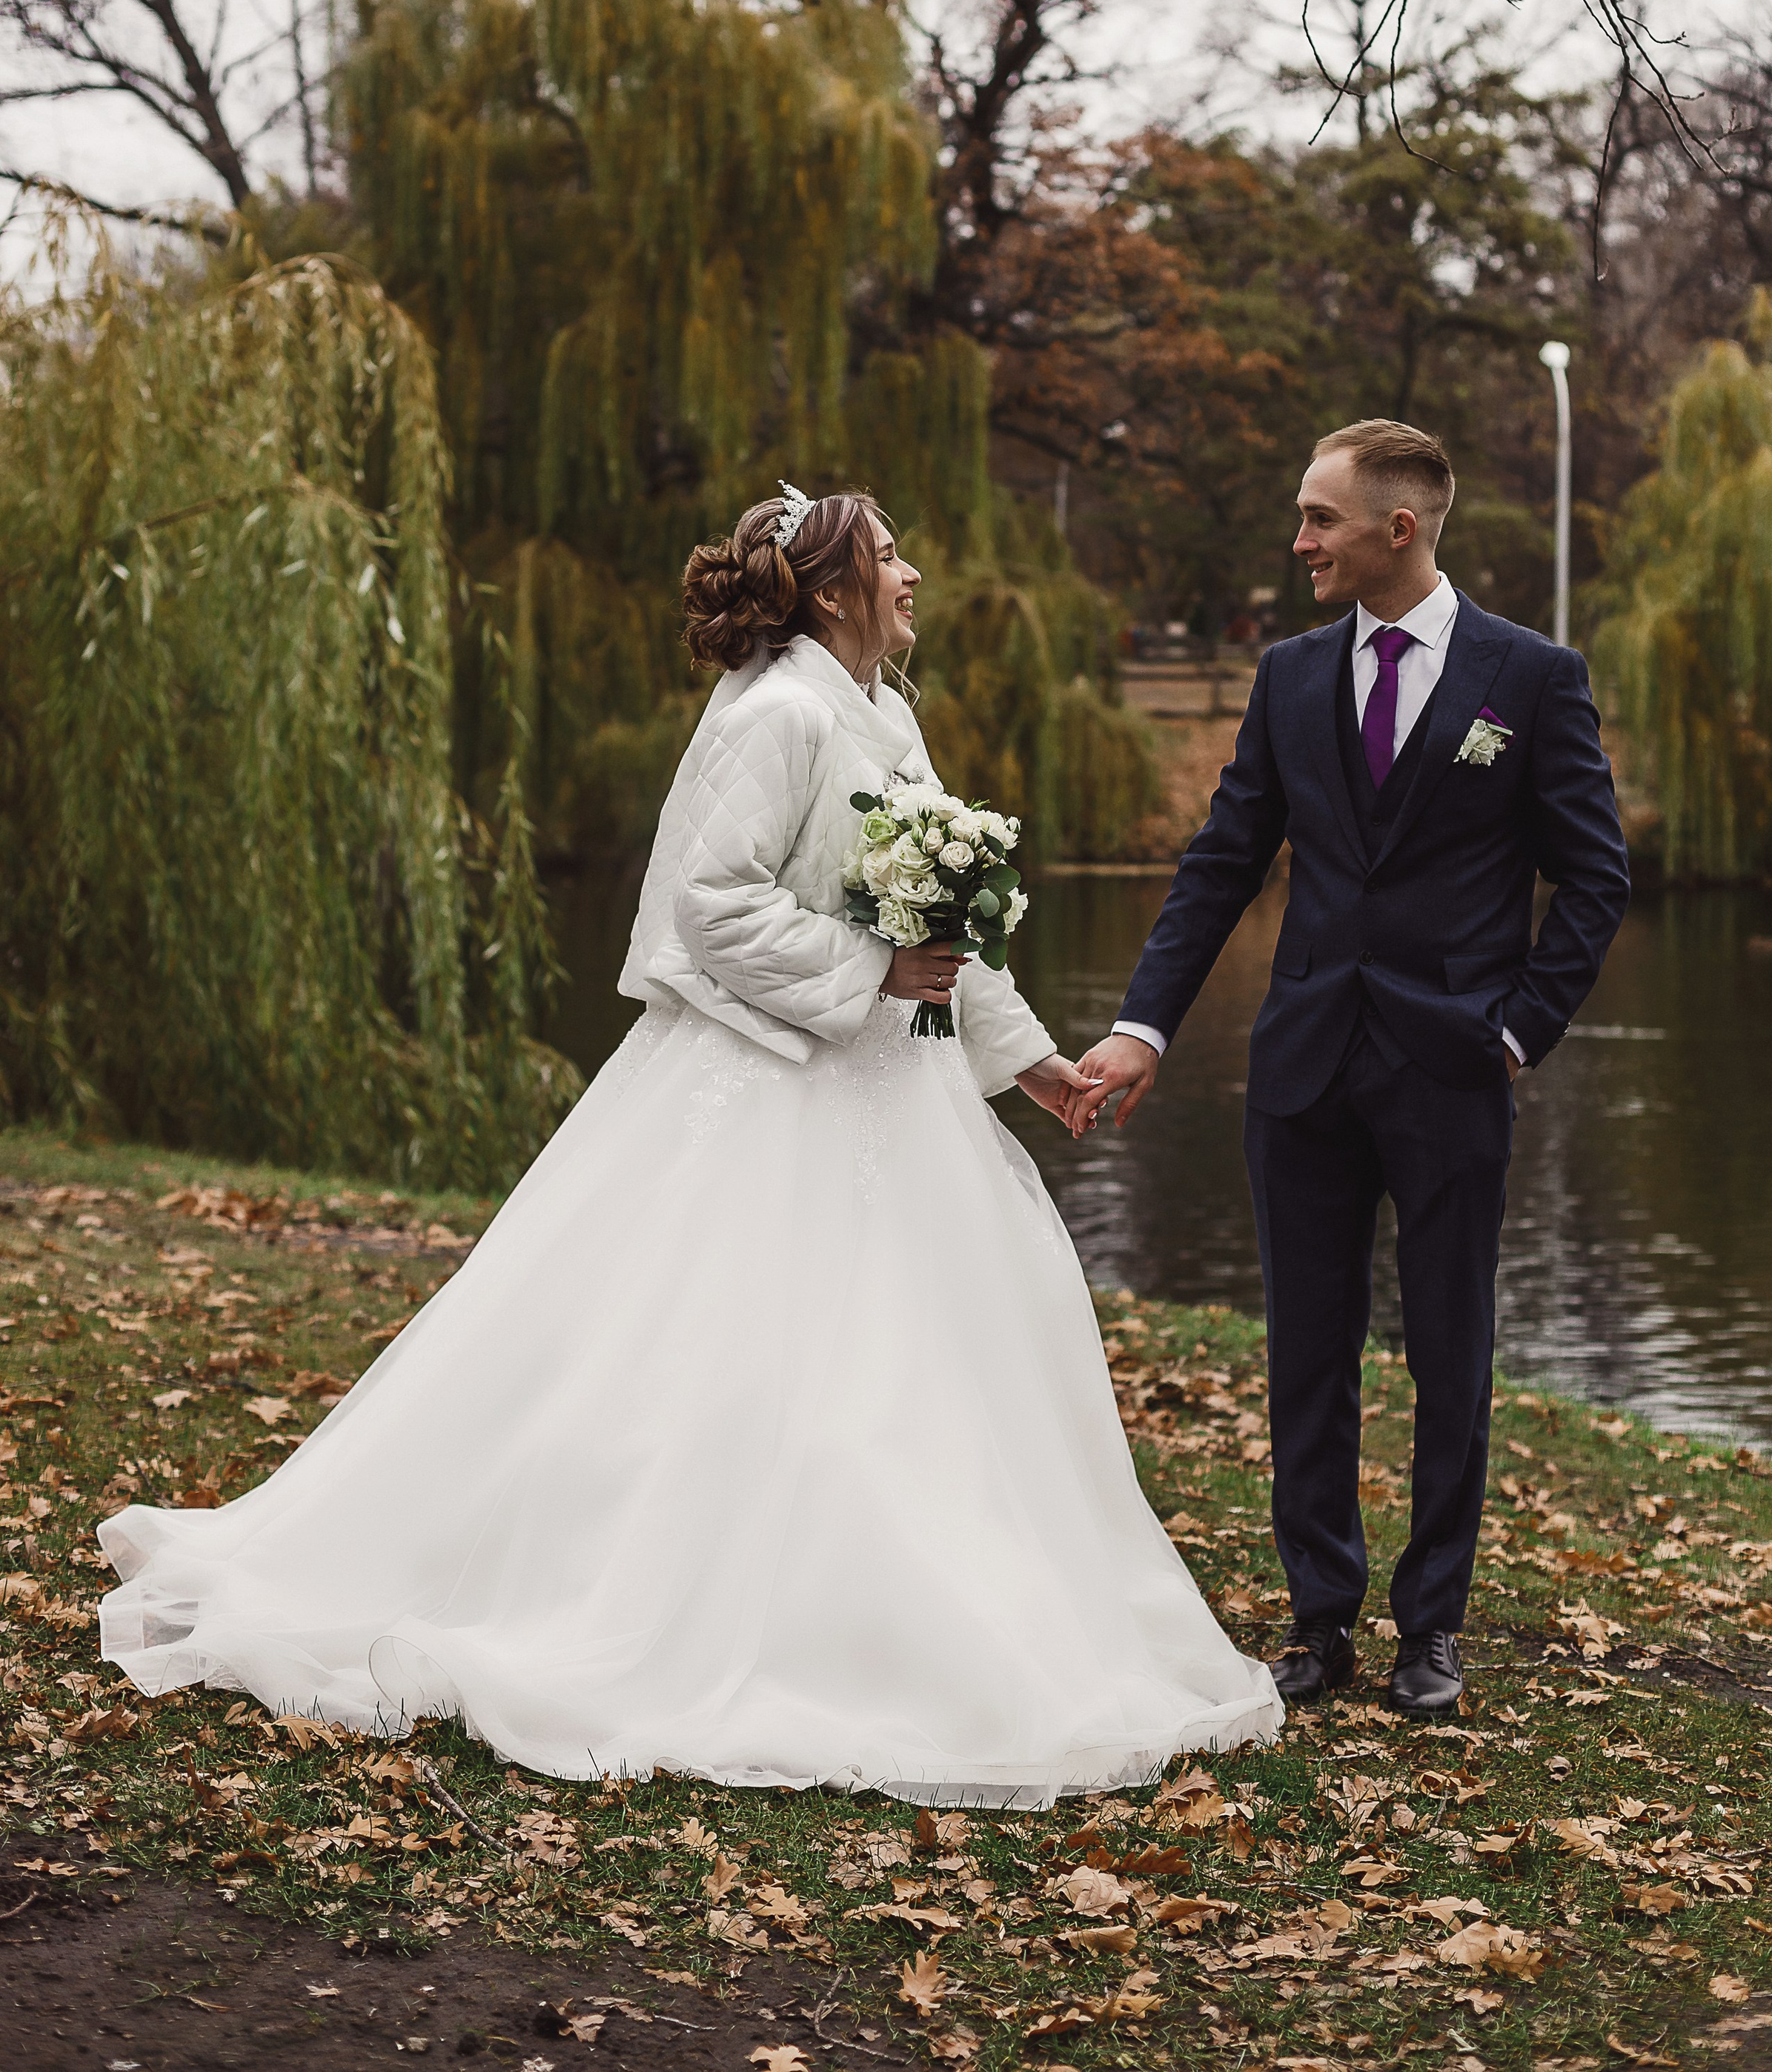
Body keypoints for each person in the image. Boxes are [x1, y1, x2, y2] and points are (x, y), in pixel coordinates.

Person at [100, 485, 1282, 1804]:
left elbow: (950, 925)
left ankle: (901, 1606)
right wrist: (871, 972)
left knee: (915, 1359)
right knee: (712, 1349)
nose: (913, 576)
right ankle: (661, 1599)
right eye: (891, 557)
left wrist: (1033, 1062)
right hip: (761, 1084)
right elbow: (706, 903)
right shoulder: (774, 714)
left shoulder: (888, 716)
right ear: (833, 592)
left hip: (899, 1089)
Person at [1067, 423, 1630, 1718]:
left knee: (1450, 1351)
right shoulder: (1289, 675)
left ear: (1400, 528)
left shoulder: (1532, 678)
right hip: (1303, 1070)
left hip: (1450, 1069)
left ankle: (1432, 1628)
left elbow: (1594, 878)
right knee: (1307, 1356)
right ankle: (1321, 1623)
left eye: (1321, 519)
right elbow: (1222, 864)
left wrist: (1516, 1028)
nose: (1301, 540)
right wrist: (1143, 1026)